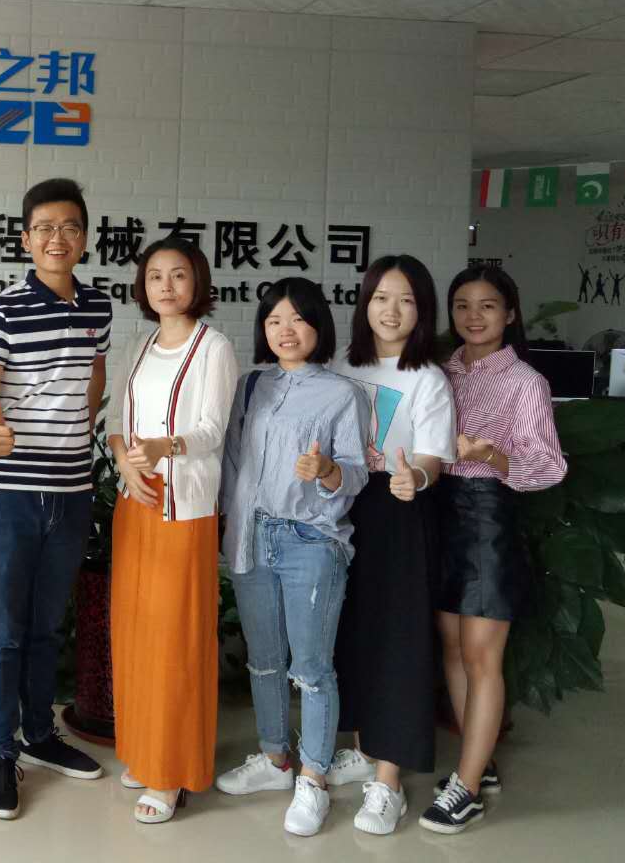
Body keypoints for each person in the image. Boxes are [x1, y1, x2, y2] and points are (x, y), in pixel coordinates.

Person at [0, 177, 111, 821]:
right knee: (5, 631)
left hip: (72, 491)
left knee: (48, 625)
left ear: (85, 238)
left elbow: (95, 377)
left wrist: (78, 424)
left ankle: (39, 734)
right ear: (26, 239)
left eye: (70, 227)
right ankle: (0, 752)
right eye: (45, 228)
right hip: (11, 495)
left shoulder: (98, 307)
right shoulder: (2, 311)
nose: (58, 239)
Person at [216, 277, 369, 838]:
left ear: (318, 326)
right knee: (263, 660)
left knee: (311, 668)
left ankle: (314, 776)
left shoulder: (342, 393)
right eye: (275, 319)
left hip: (310, 540)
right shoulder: (250, 386)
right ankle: (276, 758)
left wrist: (326, 470)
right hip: (250, 537)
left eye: (298, 319)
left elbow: (356, 472)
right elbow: (231, 463)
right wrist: (226, 524)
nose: (286, 330)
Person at [421, 265, 565, 835]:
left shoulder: (525, 381)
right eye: (462, 305)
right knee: (453, 647)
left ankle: (466, 789)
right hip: (440, 513)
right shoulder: (442, 372)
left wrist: (490, 454)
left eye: (487, 305)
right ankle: (476, 762)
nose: (473, 316)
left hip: (487, 519)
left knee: (482, 656)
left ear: (510, 314)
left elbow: (548, 467)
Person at [105, 239, 237, 825]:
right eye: (155, 275)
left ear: (197, 282)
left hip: (183, 509)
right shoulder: (138, 345)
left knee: (174, 640)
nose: (166, 285)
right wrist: (125, 462)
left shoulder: (214, 348)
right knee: (136, 632)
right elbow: (116, 421)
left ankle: (171, 771)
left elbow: (211, 431)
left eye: (178, 275)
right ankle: (144, 749)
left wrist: (164, 447)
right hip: (136, 500)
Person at [329, 256, 456, 835]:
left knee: (398, 639)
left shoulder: (427, 377)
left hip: (399, 509)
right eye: (381, 297)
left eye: (406, 299)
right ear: (365, 303)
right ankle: (364, 746)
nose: (392, 310)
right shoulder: (341, 363)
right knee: (354, 630)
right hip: (342, 506)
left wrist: (415, 477)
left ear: (421, 310)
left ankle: (389, 781)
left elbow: (432, 456)